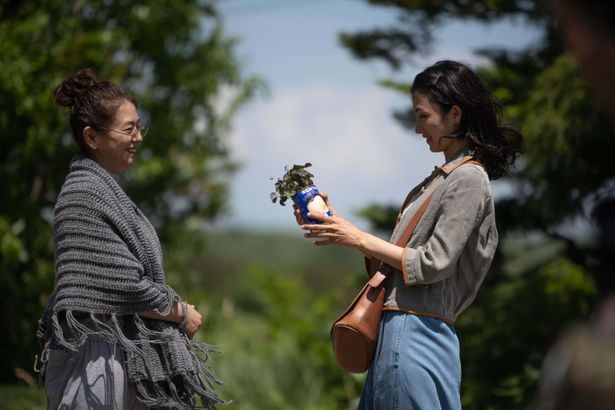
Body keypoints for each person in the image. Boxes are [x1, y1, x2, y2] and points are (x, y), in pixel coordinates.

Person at [298, 60, 523, 409]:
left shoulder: (467, 179)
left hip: (415, 334)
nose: (418, 128)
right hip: (405, 333)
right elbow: (399, 264)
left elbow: (433, 264)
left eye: (423, 116)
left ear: (455, 115)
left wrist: (356, 237)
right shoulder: (440, 180)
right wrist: (335, 222)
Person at [35, 69, 224, 409]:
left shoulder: (103, 191)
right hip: (97, 367)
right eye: (128, 128)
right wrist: (180, 313)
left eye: (139, 126)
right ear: (92, 137)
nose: (138, 136)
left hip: (118, 358)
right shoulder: (82, 195)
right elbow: (123, 285)